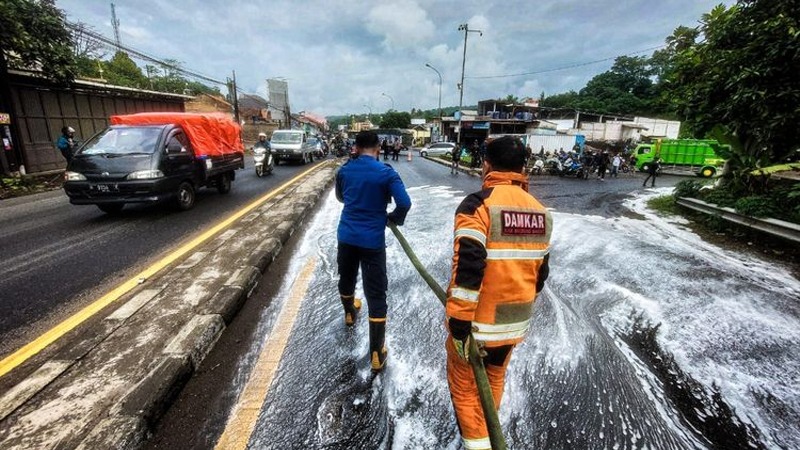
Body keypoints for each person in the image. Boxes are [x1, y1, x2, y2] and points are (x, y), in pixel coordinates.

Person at [445, 136, 551, 450]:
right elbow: (541, 275)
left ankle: (478, 444)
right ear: (524, 167)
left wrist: (460, 324)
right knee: (493, 379)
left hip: (478, 326)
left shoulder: (478, 205)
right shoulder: (541, 212)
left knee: (465, 389)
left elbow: (469, 268)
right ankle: (489, 431)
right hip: (514, 323)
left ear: (486, 165)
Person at [335, 130, 411, 372]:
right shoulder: (386, 173)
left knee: (346, 277)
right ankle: (377, 353)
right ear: (379, 148)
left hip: (346, 236)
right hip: (372, 241)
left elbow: (340, 197)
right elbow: (405, 203)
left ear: (355, 148)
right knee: (376, 294)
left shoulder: (345, 170)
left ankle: (349, 313)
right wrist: (393, 218)